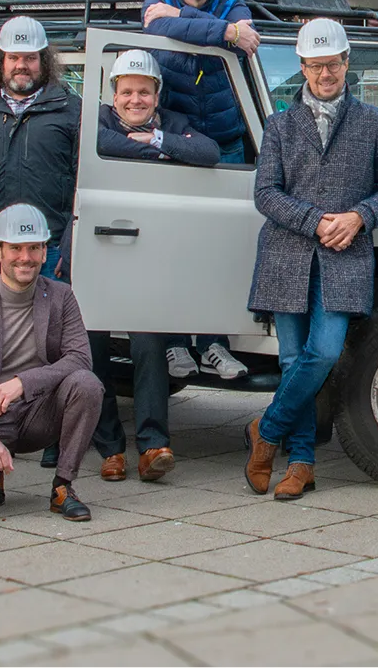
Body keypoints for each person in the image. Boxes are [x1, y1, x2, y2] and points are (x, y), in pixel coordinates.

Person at [245, 19, 378, 502]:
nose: (324, 74)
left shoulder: (375, 123)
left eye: (332, 64)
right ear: (303, 68)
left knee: (324, 353)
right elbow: (265, 194)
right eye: (315, 66)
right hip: (287, 254)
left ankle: (265, 431)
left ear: (346, 63)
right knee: (294, 358)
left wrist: (359, 216)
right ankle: (301, 464)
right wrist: (316, 221)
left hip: (346, 255)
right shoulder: (279, 124)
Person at [92, 49, 220, 483]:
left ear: (156, 94)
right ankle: (109, 447)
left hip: (149, 255)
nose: (135, 99)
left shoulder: (174, 125)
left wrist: (164, 142)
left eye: (144, 92)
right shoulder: (99, 121)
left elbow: (208, 152)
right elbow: (99, 146)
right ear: (113, 95)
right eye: (126, 91)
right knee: (94, 353)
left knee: (150, 347)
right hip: (102, 251)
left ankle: (152, 446)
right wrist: (153, 152)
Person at [0, 204, 103, 520]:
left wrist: (22, 383)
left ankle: (63, 487)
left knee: (86, 384)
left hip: (39, 411)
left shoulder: (61, 296)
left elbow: (80, 357)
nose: (25, 257)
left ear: (45, 253)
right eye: (15, 248)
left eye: (34, 248)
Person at [0, 16, 80, 282]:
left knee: (50, 323)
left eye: (30, 58)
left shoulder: (72, 111)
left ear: (44, 61)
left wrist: (69, 244)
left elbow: (82, 184)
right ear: (0, 61)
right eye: (13, 57)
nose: (21, 66)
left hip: (50, 250)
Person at [142, 0, 257, 171]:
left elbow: (245, 43)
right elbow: (156, 27)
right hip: (175, 137)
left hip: (226, 138)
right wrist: (226, 31)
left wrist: (180, 15)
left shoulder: (232, 0)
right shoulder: (158, 0)